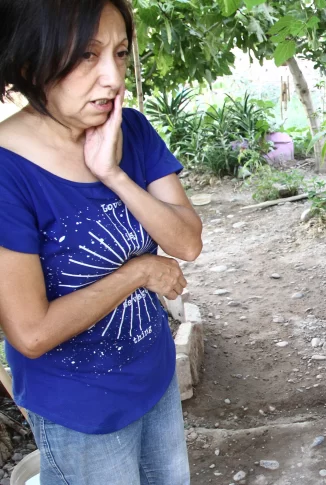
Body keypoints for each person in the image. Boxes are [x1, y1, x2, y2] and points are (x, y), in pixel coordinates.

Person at [0, 1, 203, 483]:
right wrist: (139, 272)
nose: (112, 78)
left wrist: (113, 174)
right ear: (32, 60)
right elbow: (30, 333)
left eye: (119, 53)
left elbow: (188, 242)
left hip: (153, 377)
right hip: (79, 411)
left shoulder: (129, 130)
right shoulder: (8, 170)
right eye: (88, 56)